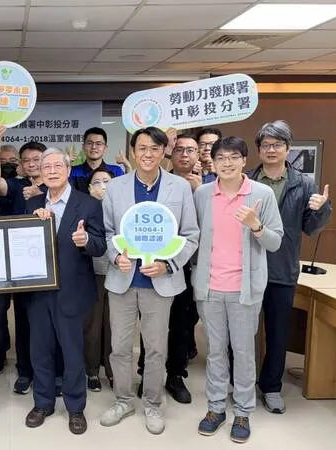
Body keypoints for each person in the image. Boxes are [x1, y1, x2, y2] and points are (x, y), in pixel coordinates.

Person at [99, 127, 199, 435]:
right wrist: (115, 256)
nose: (147, 154)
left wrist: (168, 264)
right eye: (142, 148)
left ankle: (153, 404)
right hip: (123, 281)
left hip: (160, 283)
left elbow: (191, 236)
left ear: (163, 152)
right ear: (132, 151)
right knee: (119, 347)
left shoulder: (179, 187)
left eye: (155, 148)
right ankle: (123, 400)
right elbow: (106, 232)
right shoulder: (116, 187)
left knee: (156, 349)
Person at [192, 136, 283, 444]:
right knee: (215, 351)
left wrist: (256, 225)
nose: (227, 163)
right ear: (213, 162)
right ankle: (216, 408)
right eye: (221, 157)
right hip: (209, 287)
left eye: (233, 157)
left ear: (245, 161)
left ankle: (243, 412)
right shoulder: (203, 194)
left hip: (245, 289)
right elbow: (194, 237)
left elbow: (276, 241)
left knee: (243, 352)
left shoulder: (261, 193)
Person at [247, 120, 331, 414]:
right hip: (247, 267)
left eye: (277, 144)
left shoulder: (303, 184)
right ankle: (241, 383)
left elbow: (310, 227)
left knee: (278, 332)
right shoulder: (247, 180)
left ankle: (271, 387)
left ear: (288, 148)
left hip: (282, 268)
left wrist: (322, 209)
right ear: (258, 149)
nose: (271, 150)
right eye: (266, 145)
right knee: (242, 331)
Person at [24, 148, 106, 435]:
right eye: (46, 167)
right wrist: (33, 222)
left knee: (72, 352)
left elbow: (101, 245)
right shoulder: (33, 203)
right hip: (38, 291)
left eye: (57, 166)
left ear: (68, 170)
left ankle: (75, 407)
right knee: (40, 350)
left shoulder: (88, 204)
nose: (52, 171)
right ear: (40, 173)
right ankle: (43, 402)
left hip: (72, 290)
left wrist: (86, 241)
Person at [0, 129, 61, 395]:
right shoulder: (17, 186)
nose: (31, 164)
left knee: (54, 321)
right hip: (24, 267)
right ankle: (25, 371)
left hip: (54, 266)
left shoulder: (57, 187)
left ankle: (55, 372)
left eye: (36, 159)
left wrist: (40, 193)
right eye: (26, 160)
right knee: (24, 319)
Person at [136, 132, 202, 404]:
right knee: (151, 325)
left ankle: (175, 374)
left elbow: (193, 231)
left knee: (182, 323)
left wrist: (199, 191)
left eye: (191, 150)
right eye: (179, 149)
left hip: (185, 265)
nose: (184, 155)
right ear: (170, 153)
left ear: (198, 155)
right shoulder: (156, 182)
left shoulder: (205, 185)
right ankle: (147, 374)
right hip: (151, 265)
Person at [83, 167, 115, 391]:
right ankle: (92, 371)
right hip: (91, 274)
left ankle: (113, 371)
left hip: (117, 273)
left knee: (113, 326)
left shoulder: (121, 208)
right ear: (89, 187)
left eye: (107, 181)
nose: (102, 186)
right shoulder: (83, 208)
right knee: (91, 327)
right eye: (97, 182)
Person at [69, 127, 125, 192]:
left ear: (105, 148)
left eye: (98, 144)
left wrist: (127, 166)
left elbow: (123, 192)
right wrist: (66, 162)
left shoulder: (116, 171)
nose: (94, 147)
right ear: (83, 147)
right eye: (89, 143)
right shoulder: (73, 172)